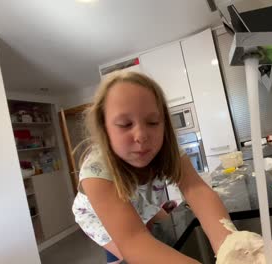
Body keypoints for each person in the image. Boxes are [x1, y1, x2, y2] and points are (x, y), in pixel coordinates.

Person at [72, 71, 232, 263]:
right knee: (128, 254)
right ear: (104, 127)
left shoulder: (166, 148)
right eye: (125, 124)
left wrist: (230, 245)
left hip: (140, 204)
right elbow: (133, 241)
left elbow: (196, 189)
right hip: (99, 219)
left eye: (152, 122)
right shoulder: (95, 172)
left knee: (157, 237)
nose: (141, 136)